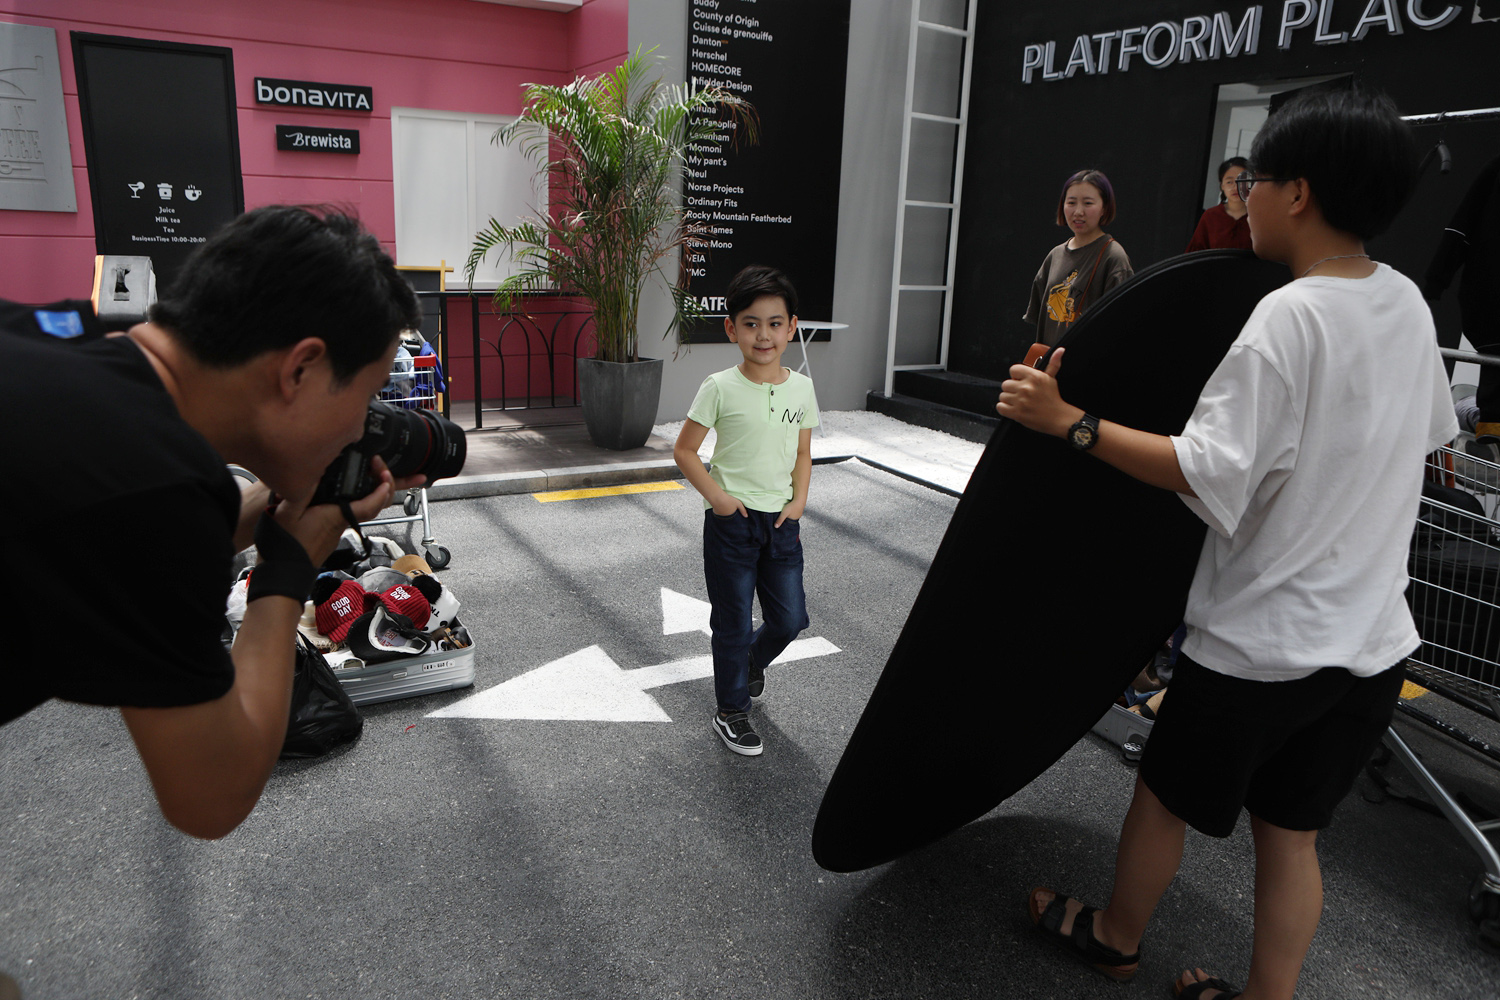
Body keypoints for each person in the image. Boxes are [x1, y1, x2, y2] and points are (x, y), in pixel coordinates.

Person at [997, 87, 1454, 999]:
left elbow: (1202, 469)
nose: (1243, 197)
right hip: (1367, 647)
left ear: (1299, 194)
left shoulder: (1288, 316)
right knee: (1290, 836)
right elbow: (1418, 436)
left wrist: (1069, 422)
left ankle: (1116, 937)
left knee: (1162, 799)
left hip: (1259, 646)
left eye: (1258, 180)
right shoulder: (1402, 301)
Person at [2, 205, 423, 840]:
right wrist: (290, 563)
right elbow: (211, 796)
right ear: (301, 368)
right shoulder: (152, 481)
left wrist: (275, 511)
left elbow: (136, 561)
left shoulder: (59, 340)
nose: (361, 429)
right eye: (363, 401)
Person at [673, 265, 820, 756]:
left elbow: (802, 453)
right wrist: (719, 499)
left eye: (775, 323)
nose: (764, 334)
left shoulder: (800, 388)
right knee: (732, 621)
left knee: (791, 618)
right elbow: (685, 451)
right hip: (732, 524)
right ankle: (731, 710)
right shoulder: (719, 386)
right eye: (752, 323)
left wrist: (799, 502)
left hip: (782, 524)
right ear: (731, 328)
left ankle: (751, 663)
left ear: (791, 327)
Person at [1022, 168, 1134, 347]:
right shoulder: (1055, 255)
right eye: (1071, 202)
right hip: (1048, 364)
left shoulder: (1113, 257)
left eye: (1088, 203)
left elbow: (1120, 326)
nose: (1078, 211)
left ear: (1104, 208)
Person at [1187, 156, 1253, 252]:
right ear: (1222, 185)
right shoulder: (1210, 216)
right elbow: (1194, 253)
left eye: (1242, 181)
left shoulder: (1258, 217)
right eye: (1229, 182)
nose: (1235, 187)